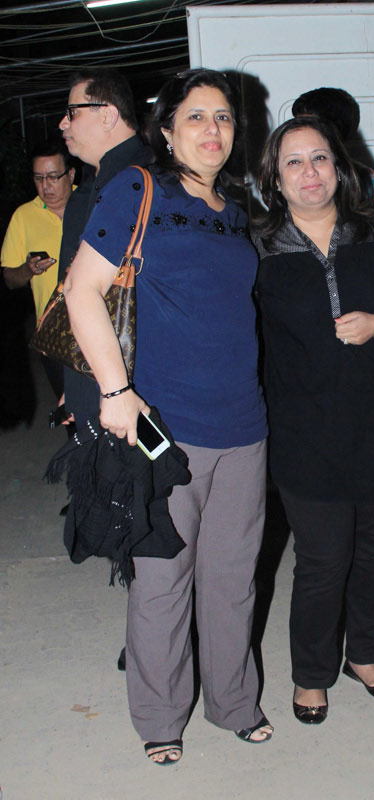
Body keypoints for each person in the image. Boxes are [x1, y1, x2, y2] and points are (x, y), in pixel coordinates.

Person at [63, 68, 272, 764]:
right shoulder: (137, 188)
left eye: (224, 117)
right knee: (162, 577)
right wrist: (115, 392)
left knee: (233, 577)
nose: (213, 129)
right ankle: (159, 717)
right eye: (196, 117)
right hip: (165, 425)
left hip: (244, 423)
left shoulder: (235, 209)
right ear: (167, 130)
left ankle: (233, 703)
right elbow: (81, 290)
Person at [253, 116, 374, 723]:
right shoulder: (257, 246)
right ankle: (311, 673)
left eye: (320, 158)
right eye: (294, 162)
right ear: (275, 179)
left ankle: (365, 653)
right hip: (302, 428)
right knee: (323, 558)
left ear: (339, 166)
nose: (310, 172)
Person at [58, 66, 151, 426]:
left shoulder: (149, 181)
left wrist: (112, 388)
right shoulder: (89, 189)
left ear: (108, 115)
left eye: (72, 113)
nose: (63, 124)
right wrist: (78, 380)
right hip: (100, 379)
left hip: (139, 384)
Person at [1, 139, 75, 397]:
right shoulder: (24, 216)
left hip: (101, 324)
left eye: (53, 177)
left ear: (71, 175)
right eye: (39, 178)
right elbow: (10, 278)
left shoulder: (92, 204)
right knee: (70, 408)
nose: (46, 186)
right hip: (54, 334)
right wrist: (29, 269)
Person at [292, 87, 374, 214]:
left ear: (336, 131)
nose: (299, 133)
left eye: (309, 127)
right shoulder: (290, 176)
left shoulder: (366, 181)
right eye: (297, 125)